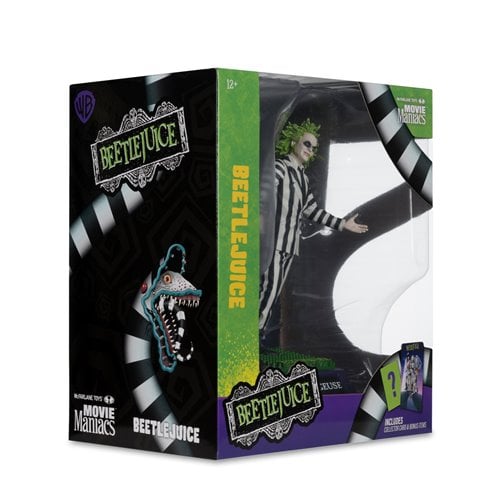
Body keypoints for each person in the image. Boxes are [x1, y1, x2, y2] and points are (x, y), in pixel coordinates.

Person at [259, 119, 368, 337]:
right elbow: (264, 190)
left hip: (289, 245)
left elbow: (312, 210)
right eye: (307, 144)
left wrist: (342, 223)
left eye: (314, 147)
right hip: (274, 242)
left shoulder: (303, 178)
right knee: (268, 290)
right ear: (294, 142)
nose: (310, 149)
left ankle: (257, 332)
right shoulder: (281, 167)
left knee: (273, 291)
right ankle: (254, 331)